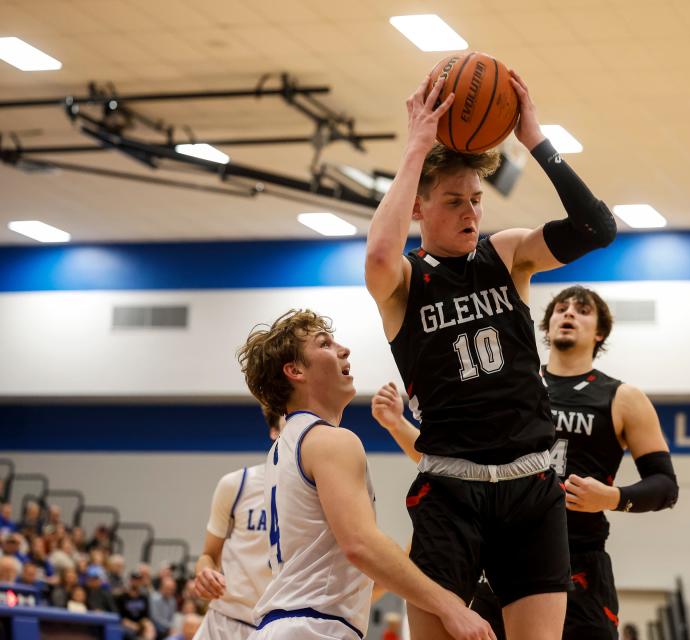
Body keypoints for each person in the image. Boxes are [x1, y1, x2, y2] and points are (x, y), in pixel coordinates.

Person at [365, 65, 617, 639]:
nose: (471, 213)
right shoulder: (405, 283)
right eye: (454, 201)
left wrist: (535, 139)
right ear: (418, 209)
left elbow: (596, 228)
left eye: (476, 199)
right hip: (450, 488)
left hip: (531, 486)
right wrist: (415, 150)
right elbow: (378, 258)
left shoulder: (506, 256)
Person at [237, 309, 493, 640]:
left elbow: (339, 563)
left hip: (289, 623)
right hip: (313, 627)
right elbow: (359, 544)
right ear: (295, 370)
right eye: (325, 344)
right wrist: (450, 606)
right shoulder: (330, 440)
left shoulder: (283, 448)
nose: (344, 349)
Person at [192, 407, 280, 639]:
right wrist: (205, 574)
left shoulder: (323, 494)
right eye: (290, 419)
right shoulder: (238, 484)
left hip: (279, 628)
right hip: (224, 621)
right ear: (274, 430)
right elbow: (208, 556)